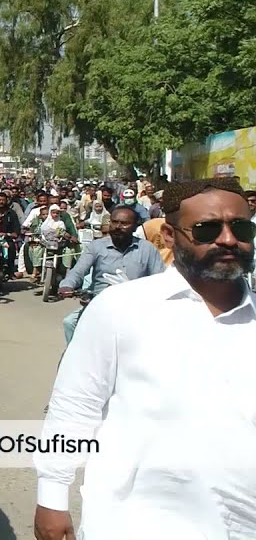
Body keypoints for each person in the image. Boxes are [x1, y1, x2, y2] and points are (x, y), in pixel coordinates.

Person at [34, 177, 256, 539]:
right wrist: (52, 497)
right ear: (170, 236)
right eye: (207, 229)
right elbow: (74, 407)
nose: (228, 239)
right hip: (133, 521)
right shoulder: (120, 308)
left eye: (241, 227)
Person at [57, 205, 165, 343]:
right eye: (114, 222)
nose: (118, 227)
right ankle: (74, 360)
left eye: (124, 223)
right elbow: (78, 271)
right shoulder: (96, 246)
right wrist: (67, 285)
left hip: (135, 306)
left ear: (135, 227)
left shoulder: (147, 249)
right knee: (70, 323)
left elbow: (159, 280)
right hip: (98, 302)